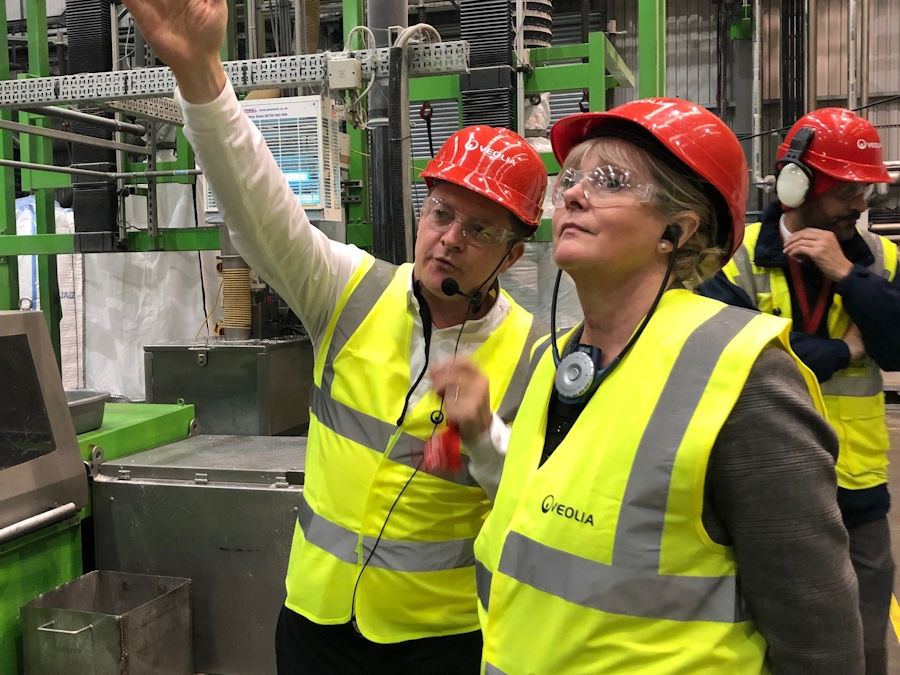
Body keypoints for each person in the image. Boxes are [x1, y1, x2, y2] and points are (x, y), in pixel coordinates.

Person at [121, 1, 549, 673]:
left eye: (481, 229)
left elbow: (538, 506)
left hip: (436, 641)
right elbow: (260, 205)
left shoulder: (533, 355)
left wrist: (484, 436)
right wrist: (200, 70)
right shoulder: (350, 290)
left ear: (513, 255)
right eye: (441, 213)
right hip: (315, 623)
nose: (450, 239)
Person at [471, 99, 865, 673]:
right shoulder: (551, 361)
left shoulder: (741, 373)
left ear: (676, 232)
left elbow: (818, 637)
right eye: (572, 178)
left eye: (608, 181)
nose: (573, 194)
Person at [699, 107, 899, 674]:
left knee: (861, 645)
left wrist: (847, 275)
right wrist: (846, 350)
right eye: (847, 191)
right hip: (761, 488)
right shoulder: (734, 262)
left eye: (865, 189)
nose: (860, 204)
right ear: (797, 185)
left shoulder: (878, 261)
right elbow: (739, 364)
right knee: (764, 637)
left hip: (857, 489)